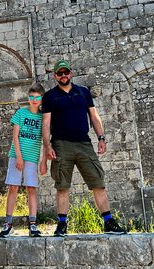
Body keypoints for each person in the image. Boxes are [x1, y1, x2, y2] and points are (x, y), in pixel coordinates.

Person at [41, 60, 127, 237]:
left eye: (66, 72)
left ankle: (108, 221)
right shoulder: (50, 96)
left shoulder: (83, 92)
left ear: (70, 73)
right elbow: (46, 123)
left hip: (84, 143)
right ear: (55, 76)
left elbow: (94, 116)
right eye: (60, 73)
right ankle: (62, 224)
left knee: (98, 182)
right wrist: (47, 145)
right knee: (62, 186)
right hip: (61, 144)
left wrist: (101, 138)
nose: (63, 75)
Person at [0, 83, 47, 238]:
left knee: (31, 189)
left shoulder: (43, 117)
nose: (34, 99)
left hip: (32, 157)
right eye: (31, 97)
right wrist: (19, 156)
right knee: (13, 187)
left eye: (37, 97)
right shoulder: (21, 113)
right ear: (28, 97)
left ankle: (33, 224)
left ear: (41, 98)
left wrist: (43, 159)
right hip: (16, 156)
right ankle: (8, 223)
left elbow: (45, 139)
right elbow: (15, 136)